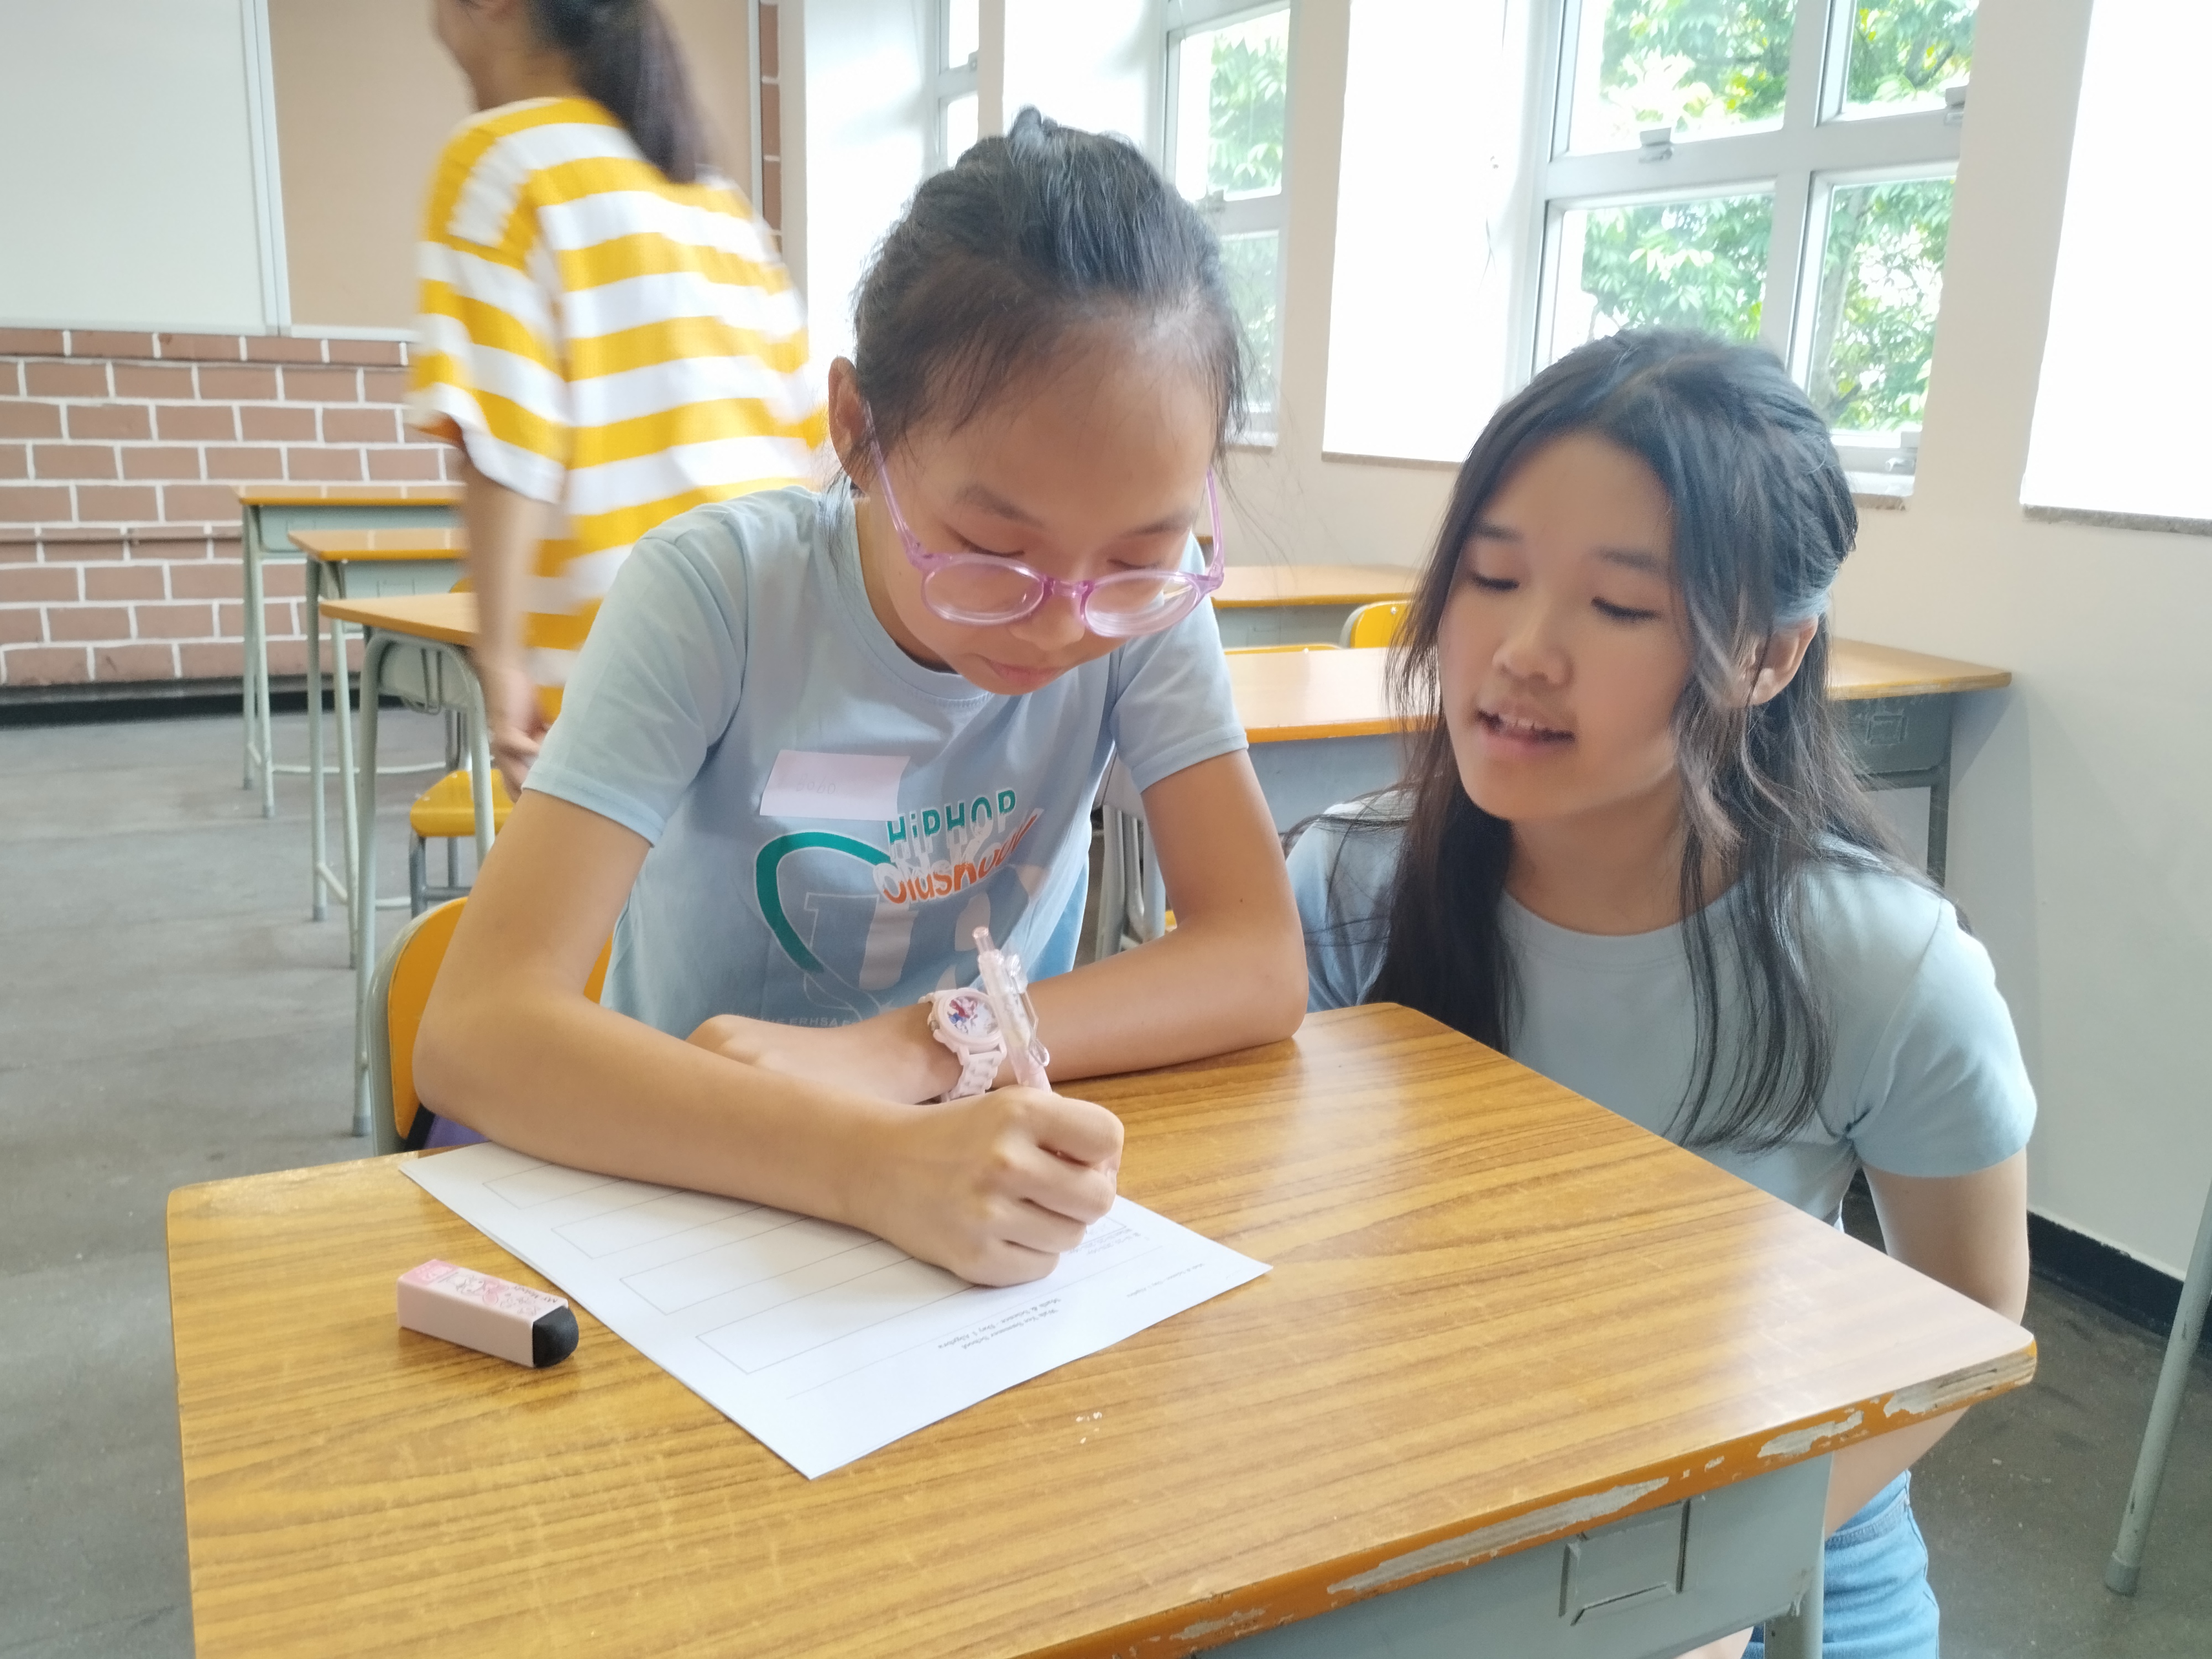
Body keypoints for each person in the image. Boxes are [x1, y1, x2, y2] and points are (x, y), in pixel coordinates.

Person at [415, 111, 1307, 1288]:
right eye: (990, 553)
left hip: (976, 1189)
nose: (1064, 621)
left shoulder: (1142, 617)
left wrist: (924, 1048)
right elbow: (476, 1029)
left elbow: (1257, 958)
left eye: (1141, 558)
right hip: (700, 1178)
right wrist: (872, 1165)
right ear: (855, 430)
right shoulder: (717, 596)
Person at [1287, 331, 2032, 1659]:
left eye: (1619, 607)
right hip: (1433, 1496)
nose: (1522, 651)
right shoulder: (1349, 882)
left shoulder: (1884, 966)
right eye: (1489, 578)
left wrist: (1713, 1578)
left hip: (1784, 1534)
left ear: (1767, 656)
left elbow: (1967, 1318)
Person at [413, 0, 827, 792]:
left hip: (628, 669)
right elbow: (817, 448)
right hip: (782, 657)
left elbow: (508, 440)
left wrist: (499, 659)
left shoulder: (500, 162)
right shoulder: (718, 202)